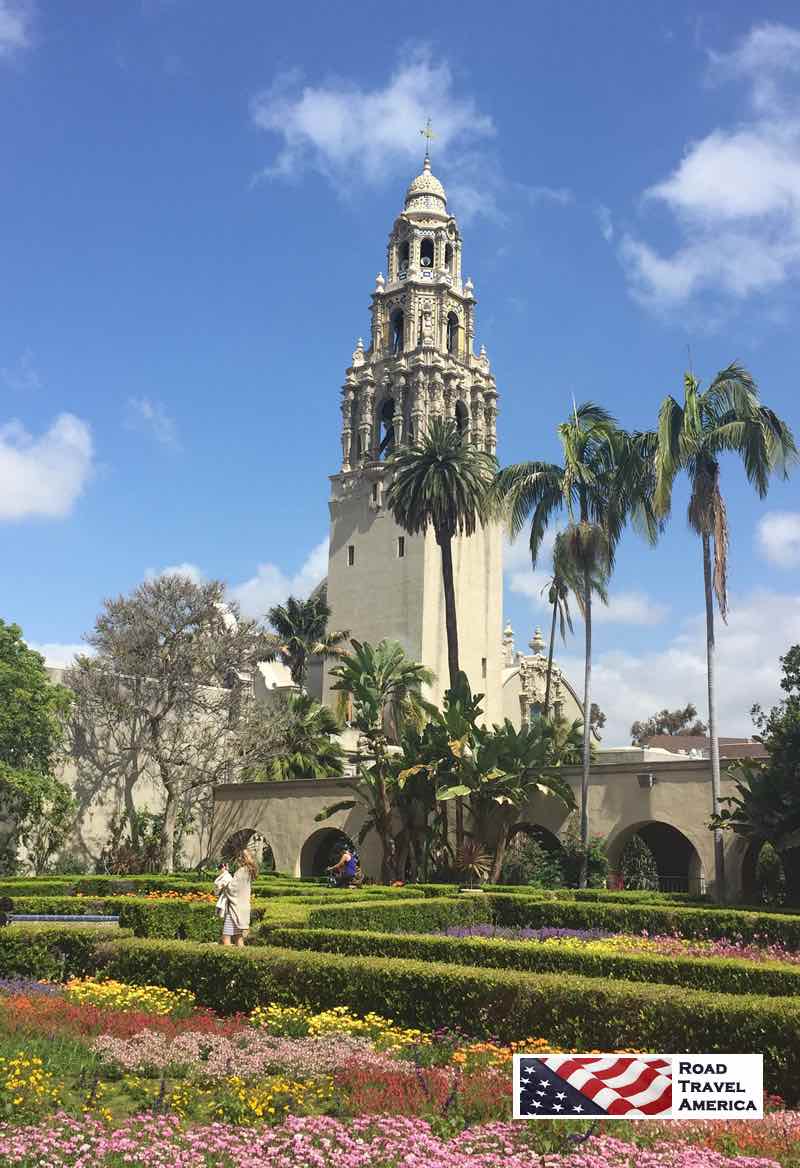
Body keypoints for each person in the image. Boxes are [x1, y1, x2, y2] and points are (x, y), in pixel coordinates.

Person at [214, 849, 258, 946]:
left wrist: (225, 877)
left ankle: (228, 959)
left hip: (235, 909)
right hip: (242, 908)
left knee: (226, 937)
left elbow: (232, 888)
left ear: (243, 858)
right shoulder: (250, 871)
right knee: (238, 937)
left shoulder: (242, 871)